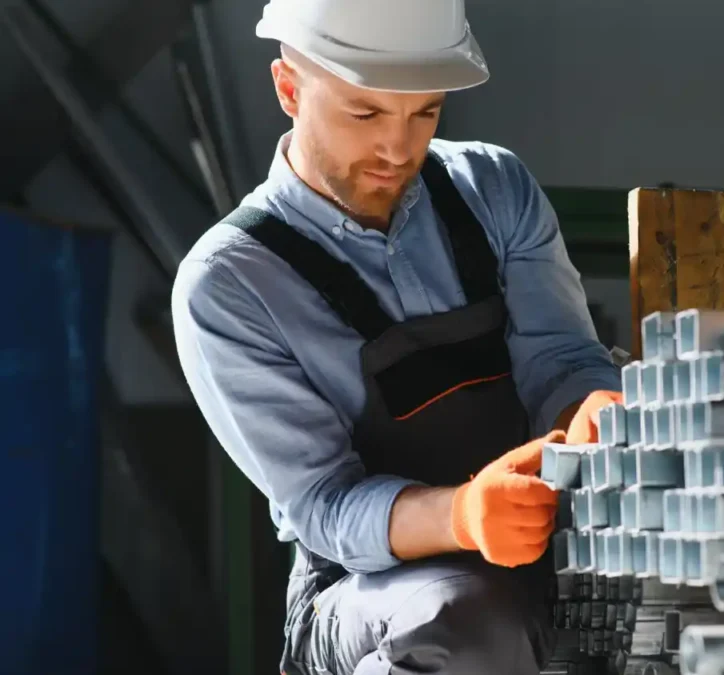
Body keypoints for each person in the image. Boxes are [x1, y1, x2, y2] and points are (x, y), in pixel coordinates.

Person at [170, 1, 623, 673]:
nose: (397, 147)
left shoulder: (494, 191)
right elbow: (326, 503)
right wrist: (465, 514)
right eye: (365, 112)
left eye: (425, 112)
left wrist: (587, 408)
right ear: (290, 89)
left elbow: (561, 361)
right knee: (463, 625)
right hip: (363, 592)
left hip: (536, 553)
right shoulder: (229, 285)